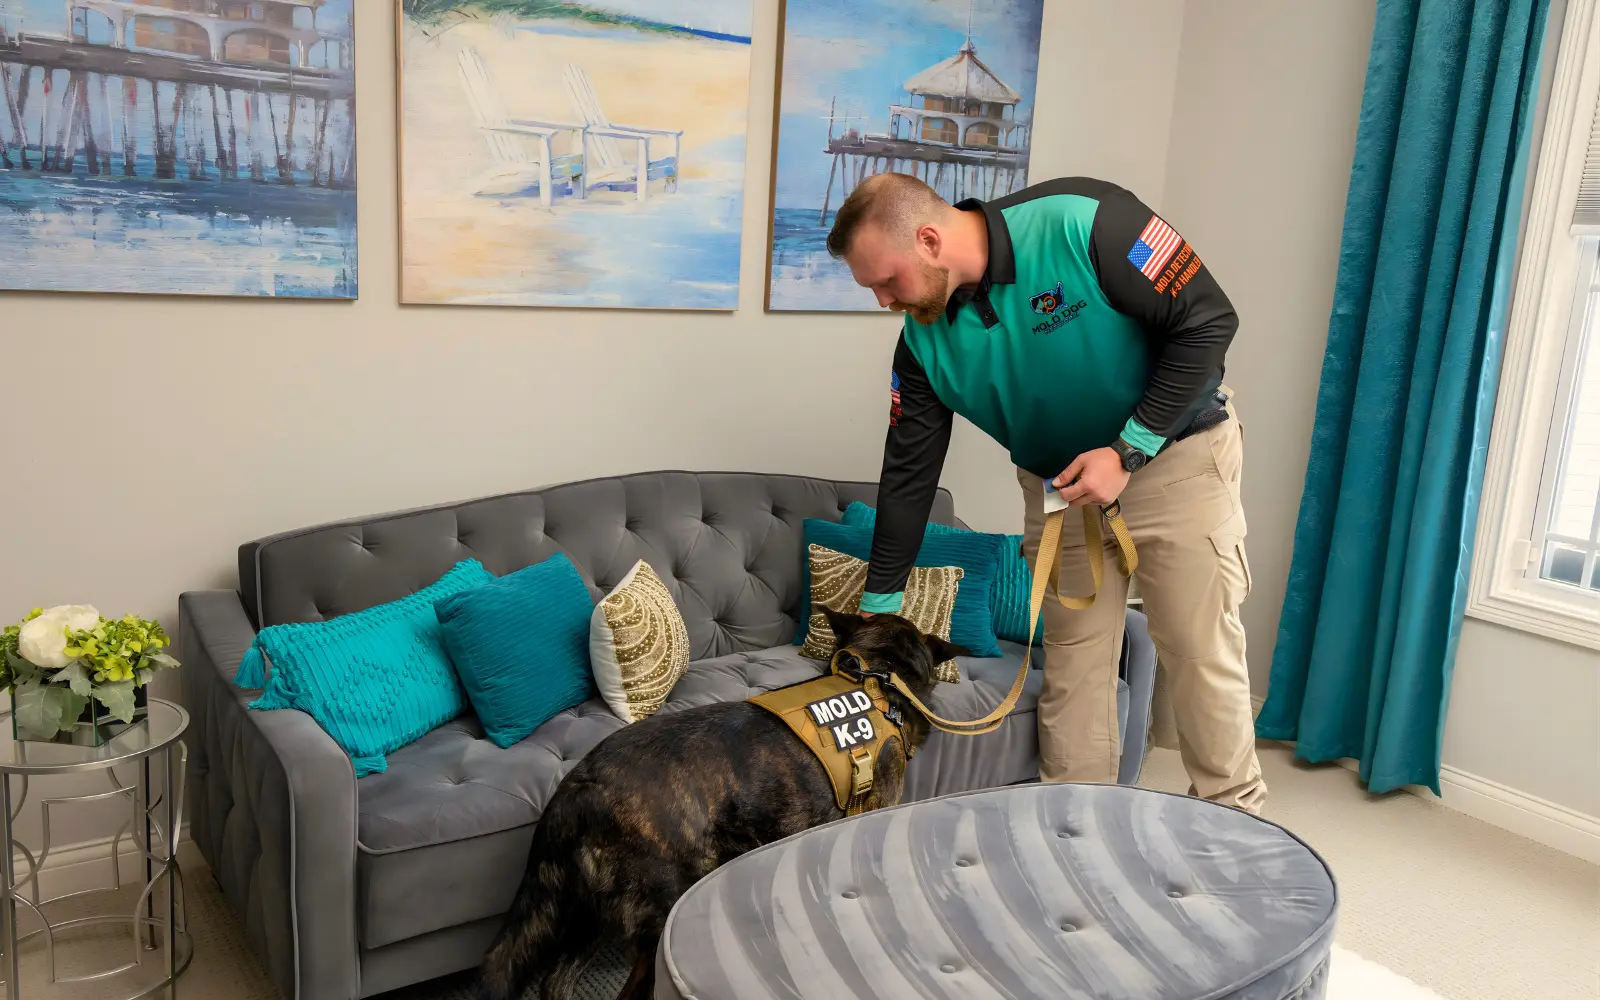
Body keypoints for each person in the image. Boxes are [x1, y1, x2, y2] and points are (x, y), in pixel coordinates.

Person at [826, 172, 1265, 815]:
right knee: (1075, 670)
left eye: (887, 282)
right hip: (1062, 494)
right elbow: (909, 475)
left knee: (1198, 655)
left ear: (928, 239)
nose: (885, 301)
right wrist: (880, 605)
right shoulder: (921, 345)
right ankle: (1073, 836)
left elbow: (1208, 322)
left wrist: (1127, 450)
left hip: (1174, 462)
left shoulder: (1087, 222)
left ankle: (1237, 835)